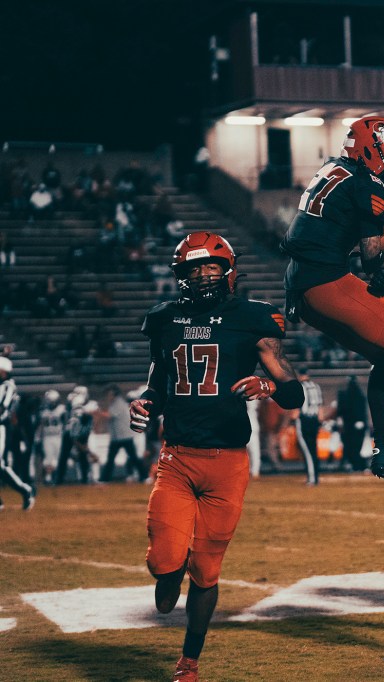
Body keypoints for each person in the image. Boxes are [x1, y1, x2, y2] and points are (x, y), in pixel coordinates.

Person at [128, 232, 304, 681]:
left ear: (230, 273)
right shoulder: (164, 319)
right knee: (163, 563)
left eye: (211, 268)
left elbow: (293, 391)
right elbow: (158, 377)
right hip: (178, 459)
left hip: (228, 464)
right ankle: (169, 573)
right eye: (194, 269)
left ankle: (189, 661)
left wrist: (266, 386)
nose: (203, 276)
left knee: (206, 572)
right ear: (180, 275)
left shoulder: (252, 320)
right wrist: (147, 400)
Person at [280, 115, 384, 490]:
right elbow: (372, 256)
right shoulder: (369, 187)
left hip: (300, 284)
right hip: (328, 282)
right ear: (370, 151)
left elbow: (337, 221)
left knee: (382, 358)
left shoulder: (332, 167)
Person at [0, 356, 35, 510]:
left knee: (0, 464)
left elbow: (2, 406)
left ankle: (25, 490)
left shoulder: (8, 386)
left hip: (1, 427)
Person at [99, 384, 148, 482]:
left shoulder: (118, 403)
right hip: (118, 437)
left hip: (123, 436)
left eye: (110, 394)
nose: (108, 397)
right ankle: (105, 478)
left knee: (131, 457)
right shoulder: (115, 403)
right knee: (114, 458)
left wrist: (96, 411)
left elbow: (109, 416)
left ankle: (144, 476)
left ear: (114, 394)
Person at [295, 372, 323, 485]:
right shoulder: (316, 386)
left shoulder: (300, 387)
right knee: (313, 449)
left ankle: (312, 477)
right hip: (314, 420)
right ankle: (315, 475)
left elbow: (296, 408)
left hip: (304, 420)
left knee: (307, 450)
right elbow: (320, 407)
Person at [36, 389, 66, 485]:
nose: (50, 403)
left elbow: (65, 423)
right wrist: (38, 437)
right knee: (48, 458)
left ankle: (55, 477)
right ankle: (48, 478)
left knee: (57, 458)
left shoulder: (61, 409)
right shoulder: (43, 411)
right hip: (47, 436)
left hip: (58, 436)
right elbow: (40, 425)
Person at [338, 377, 368, 472]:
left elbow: (342, 410)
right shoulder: (359, 395)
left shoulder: (346, 395)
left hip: (350, 426)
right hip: (355, 426)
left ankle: (354, 463)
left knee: (352, 446)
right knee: (356, 446)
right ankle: (357, 464)